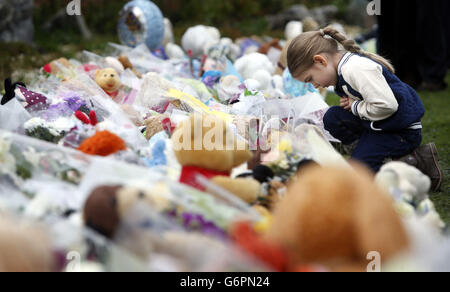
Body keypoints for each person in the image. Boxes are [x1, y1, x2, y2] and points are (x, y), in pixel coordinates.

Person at [286, 26, 443, 192]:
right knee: (332, 117)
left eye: (310, 79)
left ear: (320, 61)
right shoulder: (342, 69)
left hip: (400, 132)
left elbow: (387, 105)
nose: (315, 85)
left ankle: (416, 161)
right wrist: (354, 107)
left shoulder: (355, 69)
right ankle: (373, 155)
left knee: (358, 171)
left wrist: (355, 106)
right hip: (380, 125)